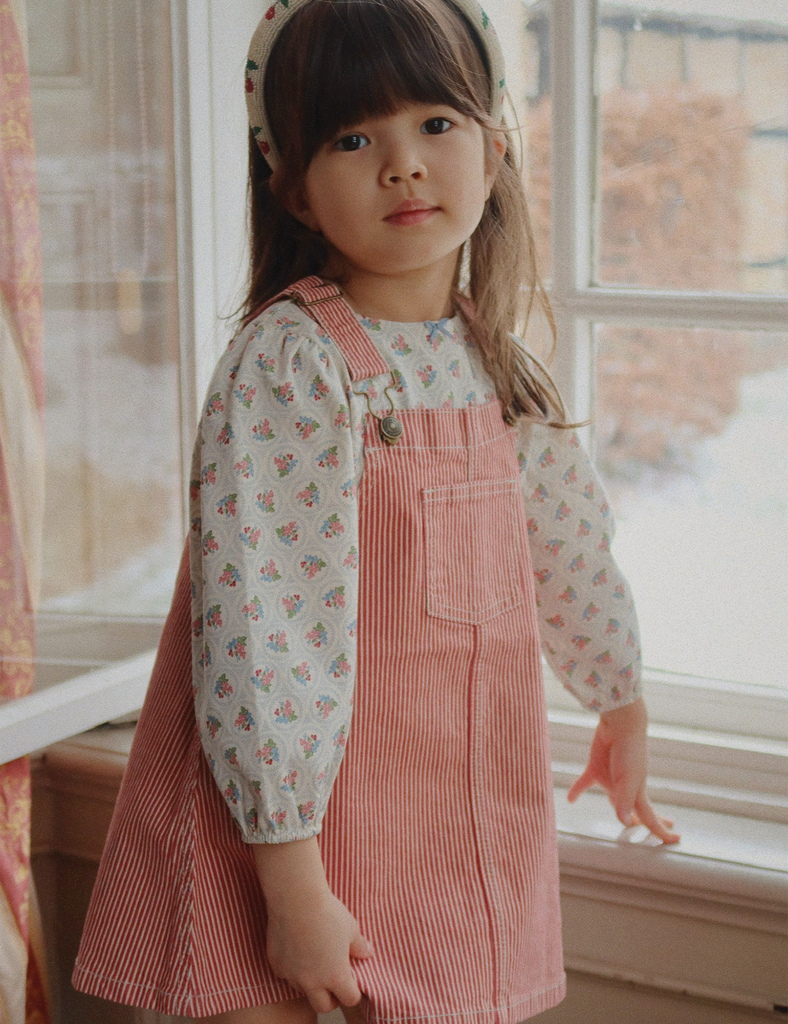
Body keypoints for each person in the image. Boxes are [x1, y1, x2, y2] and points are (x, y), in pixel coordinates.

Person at [73, 0, 679, 1021]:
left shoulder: (494, 363)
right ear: (295, 189)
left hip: (445, 819)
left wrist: (616, 697)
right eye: (354, 138)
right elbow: (261, 633)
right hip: (280, 840)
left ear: (492, 149)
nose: (402, 164)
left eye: (433, 125)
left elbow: (568, 543)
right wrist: (290, 881)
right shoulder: (291, 366)